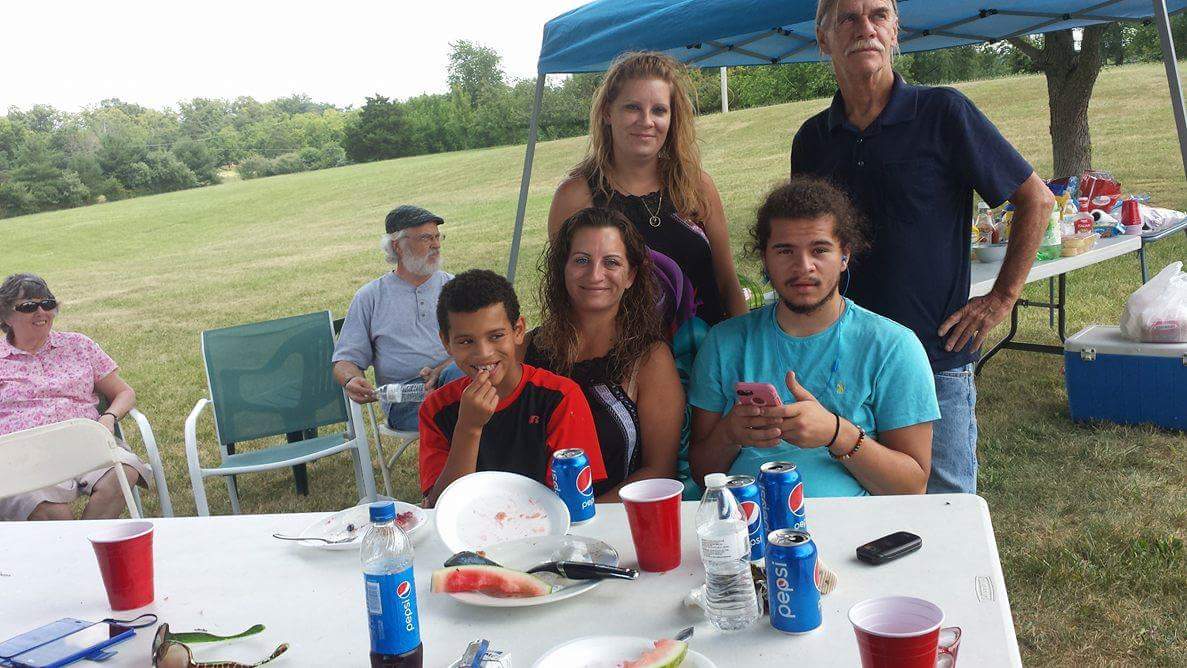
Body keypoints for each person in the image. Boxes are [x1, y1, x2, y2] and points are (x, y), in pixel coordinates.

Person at [790, 0, 1056, 493]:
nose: (865, 28)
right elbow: (804, 242)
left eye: (878, 15)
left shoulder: (943, 113)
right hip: (843, 364)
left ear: (896, 32)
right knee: (853, 510)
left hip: (935, 358)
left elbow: (1036, 200)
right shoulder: (812, 139)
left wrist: (1002, 298)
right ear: (823, 38)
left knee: (943, 509)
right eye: (847, 18)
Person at [689, 178, 939, 497]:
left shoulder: (893, 346)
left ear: (844, 255)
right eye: (785, 251)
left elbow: (912, 486)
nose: (803, 266)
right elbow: (702, 473)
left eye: (819, 250)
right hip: (747, 520)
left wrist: (837, 433)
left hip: (856, 524)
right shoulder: (724, 343)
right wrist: (728, 434)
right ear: (765, 258)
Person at [548, 51, 748, 338]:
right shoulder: (576, 197)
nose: (646, 121)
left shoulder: (697, 186)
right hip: (624, 360)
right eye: (632, 107)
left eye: (659, 110)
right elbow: (563, 298)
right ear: (607, 112)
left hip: (708, 355)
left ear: (672, 117)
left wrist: (744, 349)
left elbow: (727, 282)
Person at [525, 207, 682, 501]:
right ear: (562, 268)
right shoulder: (525, 349)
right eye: (581, 260)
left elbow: (659, 470)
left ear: (630, 275)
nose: (595, 274)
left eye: (611, 262)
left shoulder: (650, 359)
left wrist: (585, 516)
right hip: (528, 516)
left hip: (614, 519)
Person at [419, 269, 607, 507]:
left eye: (496, 336)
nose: (484, 353)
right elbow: (441, 507)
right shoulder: (436, 409)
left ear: (518, 331)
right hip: (468, 528)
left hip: (548, 525)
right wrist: (468, 428)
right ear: (446, 342)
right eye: (466, 341)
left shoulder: (560, 398)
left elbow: (576, 501)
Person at [0, 273, 150, 521]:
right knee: (50, 511)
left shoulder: (78, 345)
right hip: (23, 458)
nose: (41, 312)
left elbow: (124, 392)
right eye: (28, 306)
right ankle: (82, 544)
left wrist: (109, 417)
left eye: (47, 304)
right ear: (6, 316)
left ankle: (82, 541)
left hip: (85, 445)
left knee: (124, 472)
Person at [333, 205, 462, 430]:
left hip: (459, 381)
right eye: (426, 238)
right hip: (407, 399)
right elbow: (346, 360)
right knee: (470, 411)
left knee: (466, 387)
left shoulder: (456, 287)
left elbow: (483, 345)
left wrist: (443, 368)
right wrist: (351, 379)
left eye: (437, 237)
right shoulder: (371, 296)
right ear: (397, 246)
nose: (436, 245)